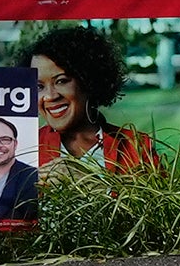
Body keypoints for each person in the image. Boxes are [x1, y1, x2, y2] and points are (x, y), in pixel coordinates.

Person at [28, 25, 164, 170]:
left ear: (88, 81)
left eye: (61, 81)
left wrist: (88, 181)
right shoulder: (26, 147)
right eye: (39, 87)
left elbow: (158, 193)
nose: (49, 96)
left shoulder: (136, 146)